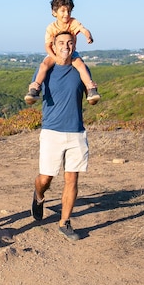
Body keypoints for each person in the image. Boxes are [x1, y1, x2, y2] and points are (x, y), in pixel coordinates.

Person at [30, 31, 90, 242]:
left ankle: (64, 222)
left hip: (76, 132)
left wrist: (93, 95)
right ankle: (39, 195)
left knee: (72, 178)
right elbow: (33, 94)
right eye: (61, 43)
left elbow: (90, 95)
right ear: (53, 46)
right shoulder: (46, 68)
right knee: (46, 178)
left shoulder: (80, 68)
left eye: (70, 42)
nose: (66, 46)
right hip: (52, 132)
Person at [25, 0, 100, 105]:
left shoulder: (73, 22)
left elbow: (84, 30)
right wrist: (55, 58)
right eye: (63, 11)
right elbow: (47, 46)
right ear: (54, 12)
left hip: (71, 53)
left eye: (69, 11)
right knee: (44, 66)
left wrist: (88, 36)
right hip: (54, 53)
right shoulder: (51, 27)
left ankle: (90, 89)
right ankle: (35, 89)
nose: (66, 14)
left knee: (80, 65)